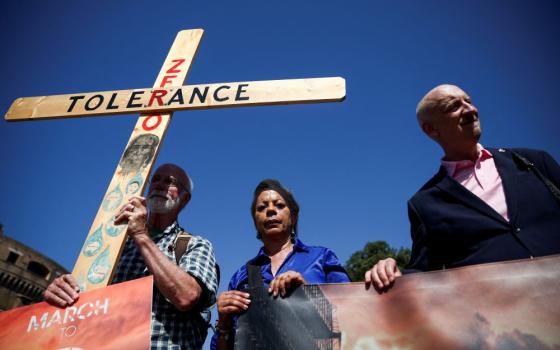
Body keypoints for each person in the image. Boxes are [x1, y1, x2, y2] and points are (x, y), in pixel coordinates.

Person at [366, 84, 560, 290]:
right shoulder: (424, 203)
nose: (470, 109)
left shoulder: (533, 161)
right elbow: (423, 273)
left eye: (469, 101)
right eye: (453, 106)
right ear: (431, 129)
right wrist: (392, 272)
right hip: (503, 316)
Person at [44, 163, 219, 349]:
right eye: (156, 179)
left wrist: (141, 235)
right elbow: (86, 302)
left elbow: (187, 296)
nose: (159, 185)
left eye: (170, 182)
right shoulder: (113, 245)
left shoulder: (194, 244)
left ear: (184, 199)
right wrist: (62, 295)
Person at [211, 179, 350, 349]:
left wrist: (307, 293)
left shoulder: (322, 258)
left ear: (294, 216)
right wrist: (224, 322)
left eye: (279, 205)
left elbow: (351, 317)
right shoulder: (241, 276)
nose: (270, 210)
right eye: (261, 208)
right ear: (255, 222)